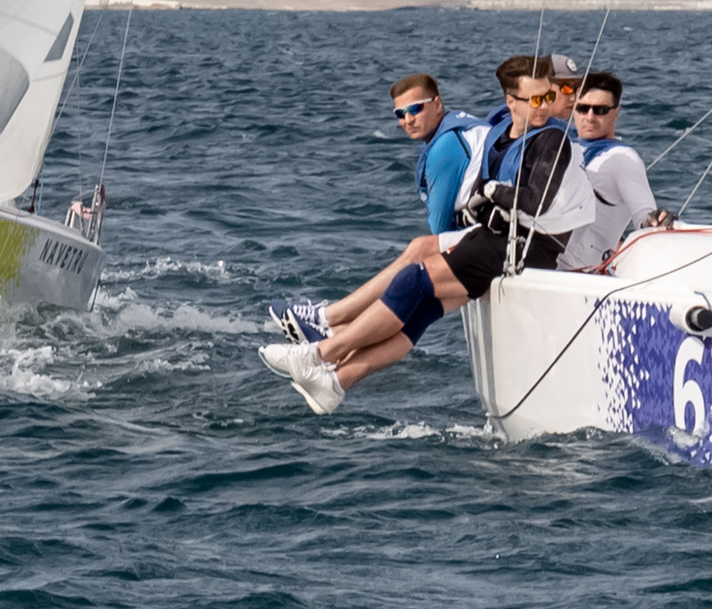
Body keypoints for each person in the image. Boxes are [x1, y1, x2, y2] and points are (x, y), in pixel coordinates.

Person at [260, 56, 595, 413]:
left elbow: (535, 202)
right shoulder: (503, 129)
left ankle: (318, 353)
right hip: (499, 236)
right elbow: (490, 185)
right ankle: (336, 383)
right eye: (535, 99)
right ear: (510, 102)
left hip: (528, 246)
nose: (544, 107)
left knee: (413, 282)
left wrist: (492, 193)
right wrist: (482, 200)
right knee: (422, 310)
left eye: (548, 97)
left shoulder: (552, 140)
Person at [269, 72, 486, 344]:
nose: (407, 120)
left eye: (415, 109)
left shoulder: (445, 147)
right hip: (492, 231)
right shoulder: (462, 127)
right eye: (400, 114)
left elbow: (439, 231)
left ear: (438, 104)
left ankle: (326, 319)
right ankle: (331, 333)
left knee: (419, 256)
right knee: (422, 291)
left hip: (496, 241)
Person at [559, 70, 667, 272]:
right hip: (537, 264)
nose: (589, 117)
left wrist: (655, 220)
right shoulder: (560, 144)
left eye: (600, 110)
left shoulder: (623, 160)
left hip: (576, 275)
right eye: (583, 108)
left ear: (616, 113)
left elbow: (645, 217)